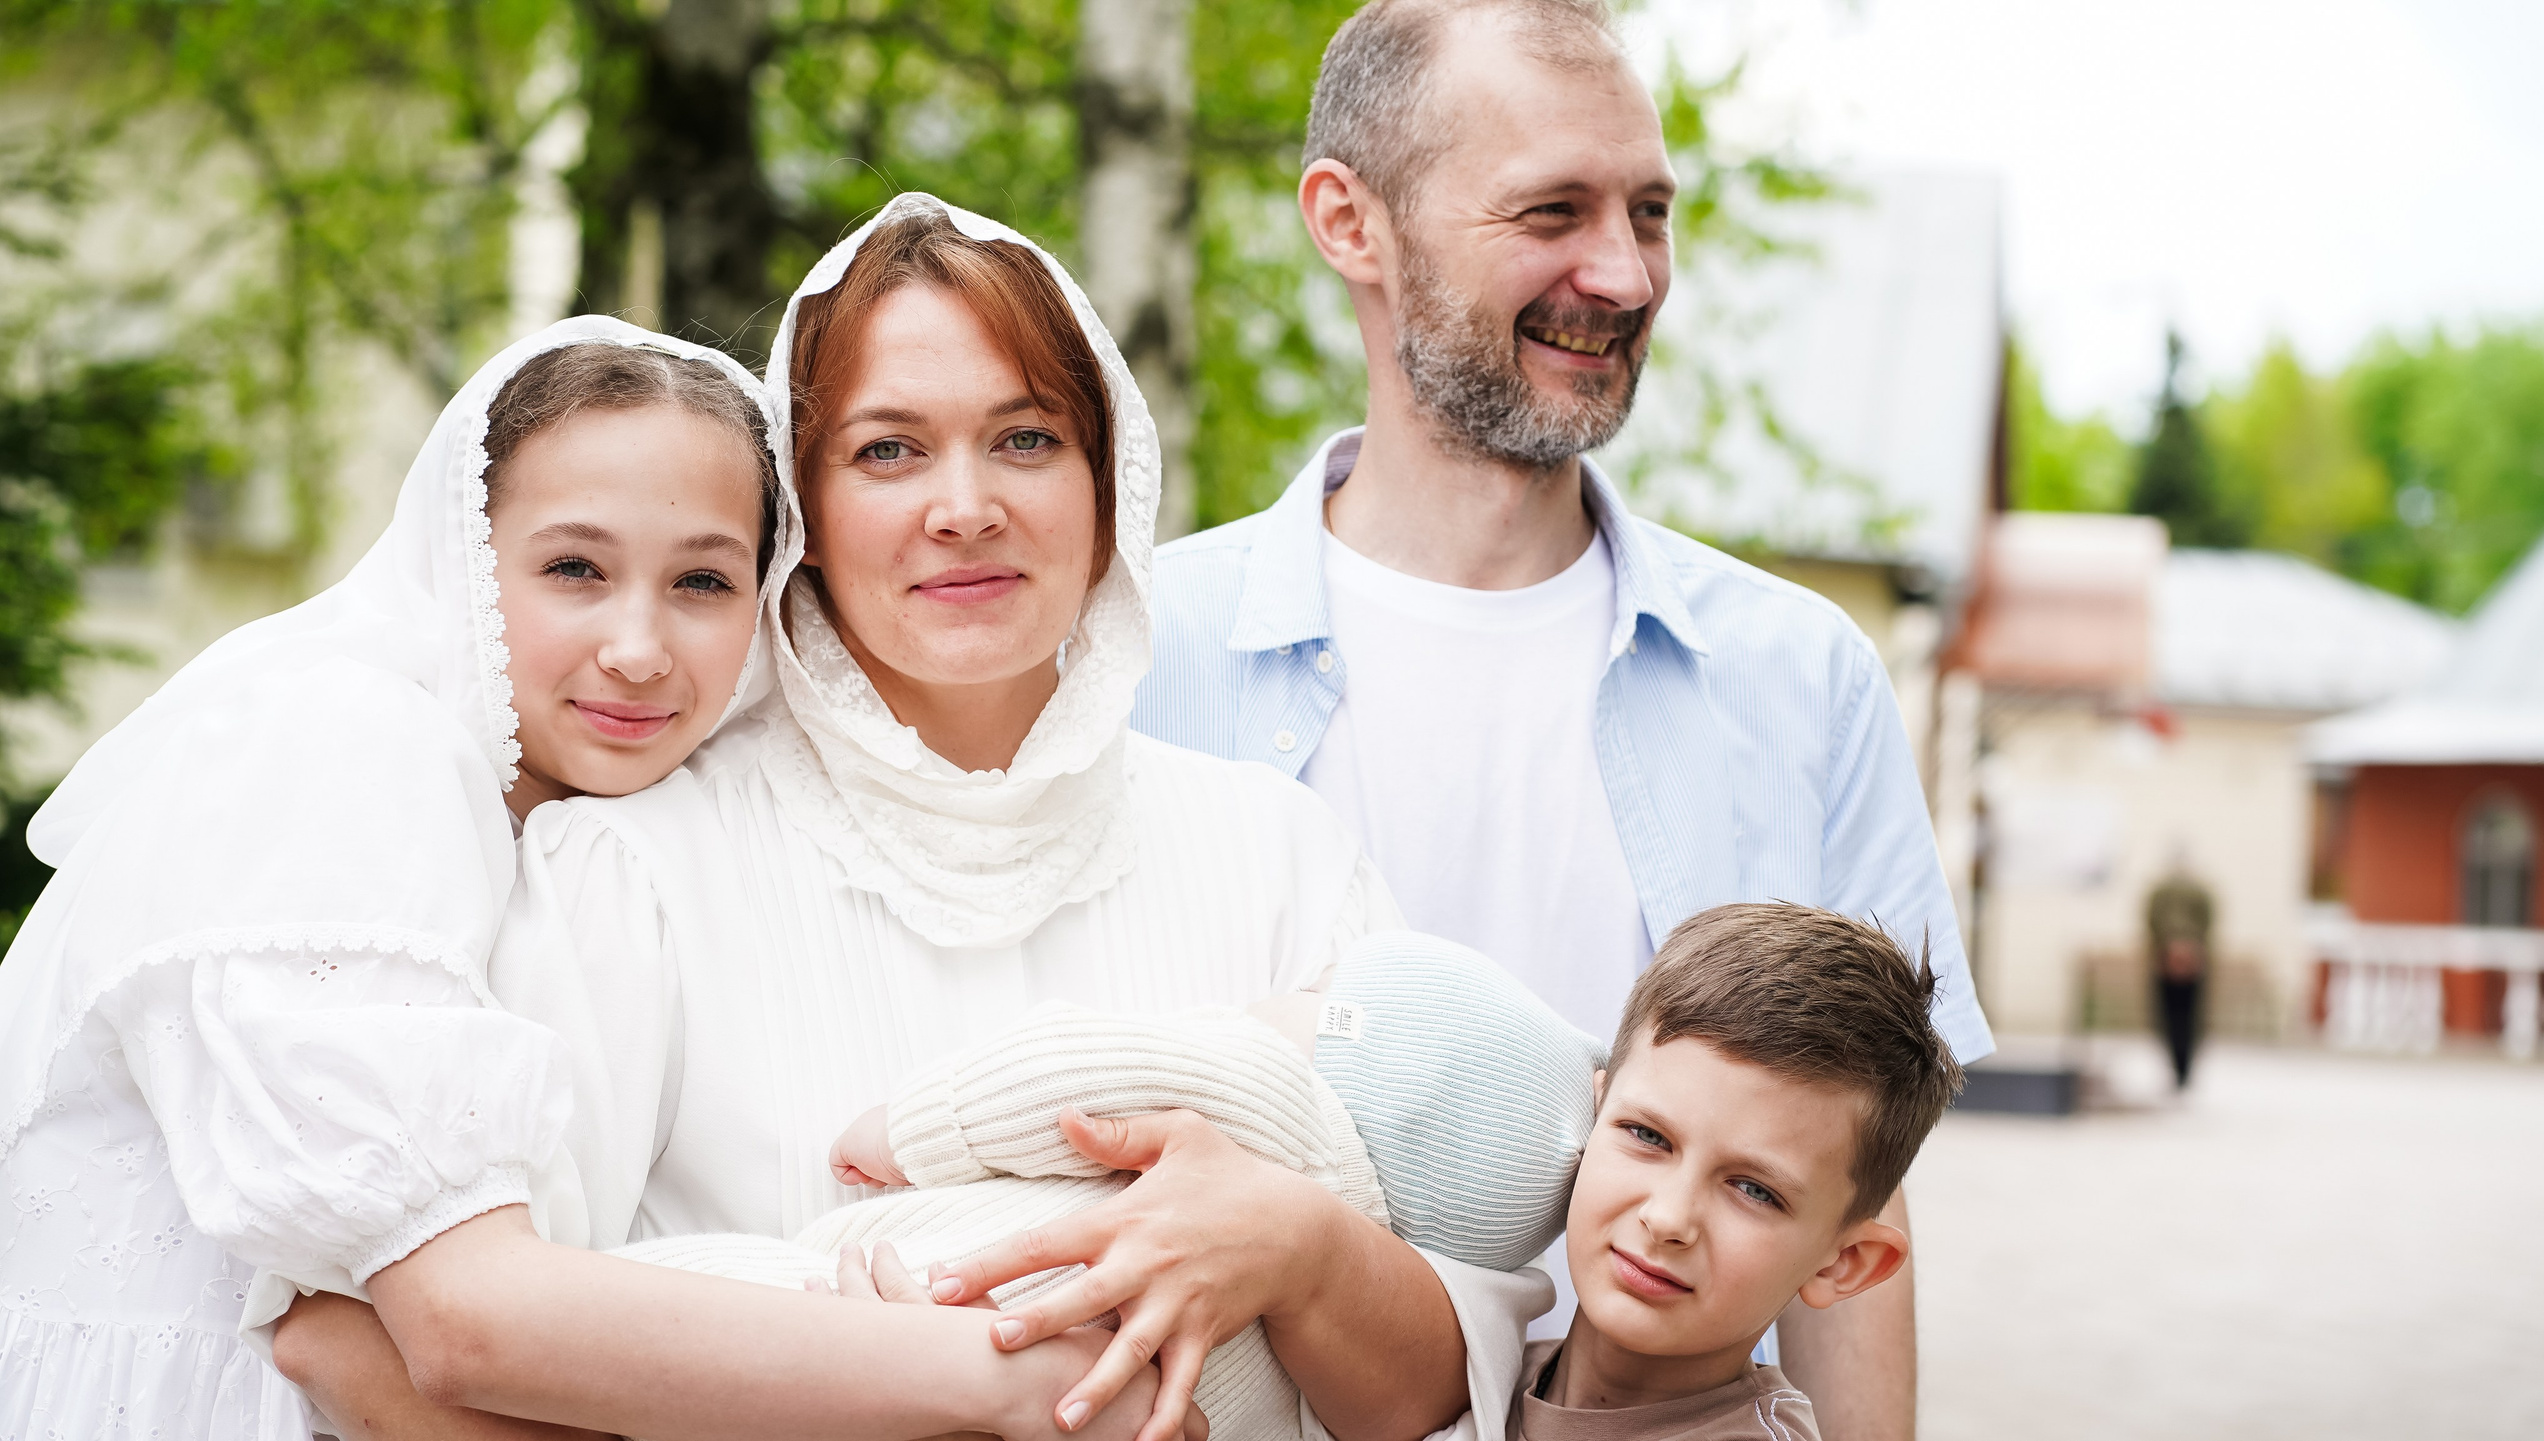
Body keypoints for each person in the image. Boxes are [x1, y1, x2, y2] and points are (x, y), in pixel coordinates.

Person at [269, 194, 1541, 1441]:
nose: (965, 506)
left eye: (1028, 438)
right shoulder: (633, 866)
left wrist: (1299, 1248)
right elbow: (445, 1362)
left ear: (1112, 481)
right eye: (888, 450)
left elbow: (1431, 1395)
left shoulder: (1279, 853)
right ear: (802, 517)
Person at [1133, 4, 1990, 1432]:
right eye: (1554, 211)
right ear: (1352, 221)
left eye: (1650, 213)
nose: (1622, 272)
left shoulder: (1803, 680)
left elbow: (1863, 1212)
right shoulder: (1137, 660)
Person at [0, 321, 784, 1438]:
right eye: (574, 568)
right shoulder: (348, 747)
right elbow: (444, 1318)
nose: (640, 646)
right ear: (465, 560)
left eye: (703, 579)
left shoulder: (593, 835)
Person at [612, 931, 1607, 1441]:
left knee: (710, 1292)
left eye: (1319, 988)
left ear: (1356, 1043)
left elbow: (1068, 1075)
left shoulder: (1269, 1090)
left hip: (902, 1294)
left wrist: (911, 1128)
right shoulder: (1318, 1343)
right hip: (1057, 1398)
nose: (1287, 993)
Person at [1518, 903, 1963, 1441]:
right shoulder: (1472, 1369)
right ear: (1591, 1114)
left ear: (1844, 1262)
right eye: (1647, 1135)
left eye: (1753, 1190)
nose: (1668, 1218)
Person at [2144, 860, 2213, 1089]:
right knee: (2178, 1017)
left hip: (2183, 956)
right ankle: (2179, 1068)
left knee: (2180, 1016)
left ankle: (2182, 1068)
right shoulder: (2167, 892)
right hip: (2170, 956)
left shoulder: (2169, 892)